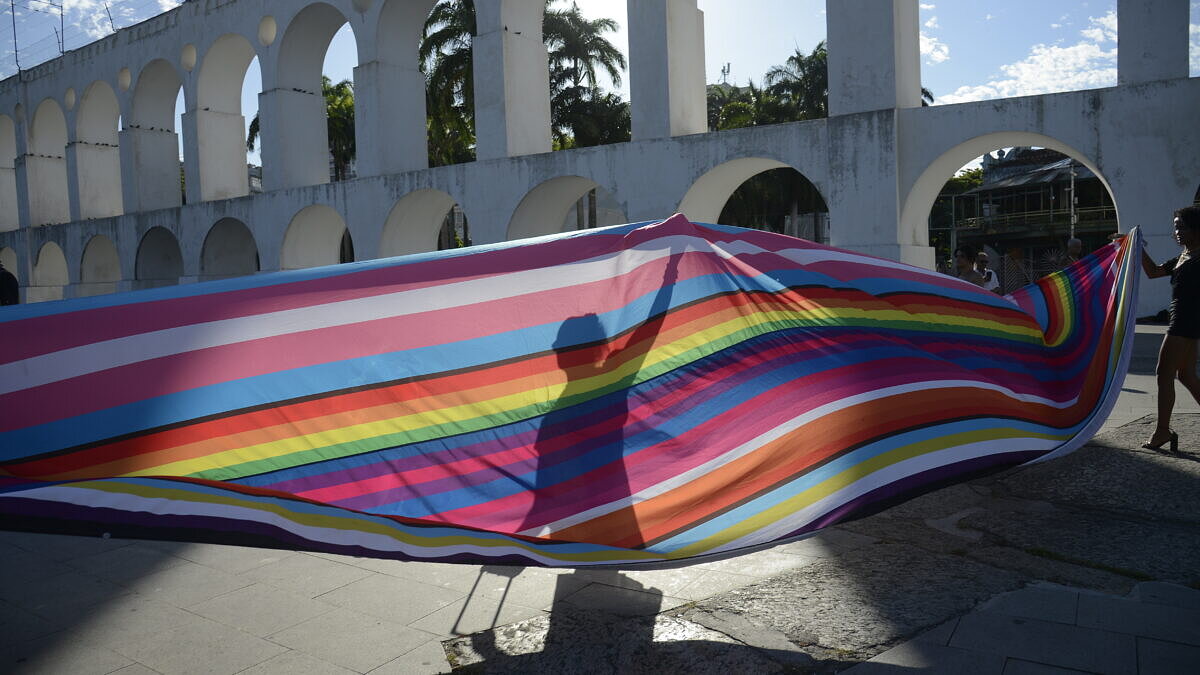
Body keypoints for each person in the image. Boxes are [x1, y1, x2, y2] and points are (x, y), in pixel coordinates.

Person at [1139, 206, 1200, 452]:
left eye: (1181, 227)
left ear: (1197, 229)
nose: (1176, 231)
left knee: (1163, 373)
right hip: (1183, 319)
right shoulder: (1184, 256)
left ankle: (1162, 430)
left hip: (1185, 321)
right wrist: (1136, 247)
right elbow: (1153, 272)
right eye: (1175, 226)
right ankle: (1163, 430)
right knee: (1185, 375)